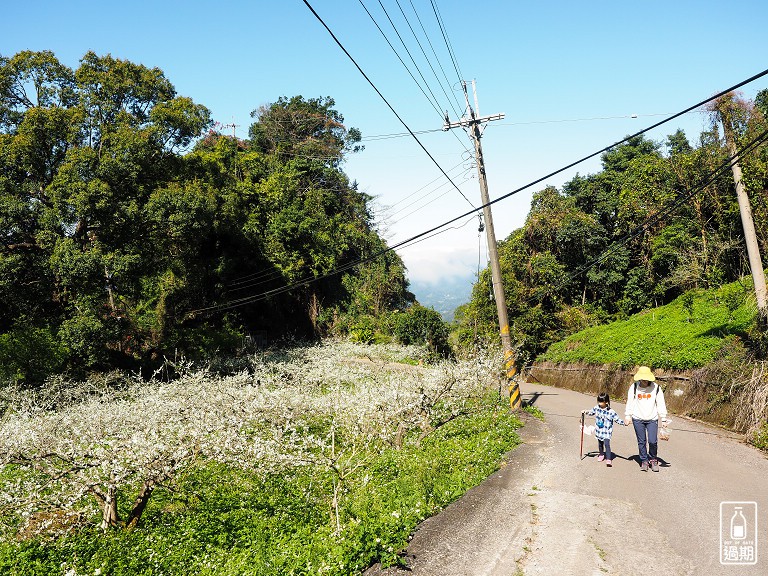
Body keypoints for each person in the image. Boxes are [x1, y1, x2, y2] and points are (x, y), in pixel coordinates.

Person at [625, 366, 668, 472]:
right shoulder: (634, 387)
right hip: (637, 418)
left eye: (646, 379)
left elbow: (661, 403)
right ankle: (644, 460)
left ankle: (653, 459)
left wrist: (663, 418)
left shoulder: (656, 388)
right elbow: (630, 402)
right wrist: (627, 416)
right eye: (643, 379)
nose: (645, 381)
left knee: (653, 441)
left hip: (652, 418)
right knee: (642, 441)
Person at [582, 392, 624, 467]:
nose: (599, 403)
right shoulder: (596, 408)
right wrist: (586, 411)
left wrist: (624, 423)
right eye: (599, 401)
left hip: (607, 432)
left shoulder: (611, 412)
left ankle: (608, 459)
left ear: (606, 402)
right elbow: (591, 412)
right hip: (599, 431)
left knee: (607, 444)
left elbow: (617, 419)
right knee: (600, 444)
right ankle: (601, 454)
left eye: (601, 401)